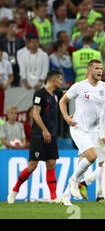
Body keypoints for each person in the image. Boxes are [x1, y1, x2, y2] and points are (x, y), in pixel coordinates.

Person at [59, 59, 105, 206]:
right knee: (92, 157)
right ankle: (74, 181)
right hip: (78, 128)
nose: (100, 71)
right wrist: (67, 117)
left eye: (101, 68)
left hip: (94, 131)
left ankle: (65, 196)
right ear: (90, 70)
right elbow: (62, 101)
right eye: (97, 68)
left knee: (83, 164)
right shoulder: (79, 86)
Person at [7, 70, 63, 203]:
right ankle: (14, 190)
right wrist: (44, 130)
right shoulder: (39, 93)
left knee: (51, 164)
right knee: (32, 165)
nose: (62, 82)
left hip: (52, 135)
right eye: (60, 79)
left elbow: (70, 93)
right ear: (54, 79)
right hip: (39, 135)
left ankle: (54, 197)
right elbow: (35, 114)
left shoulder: (57, 94)